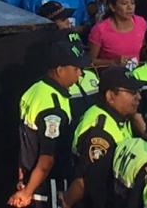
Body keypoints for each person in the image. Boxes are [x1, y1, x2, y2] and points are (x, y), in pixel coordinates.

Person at [9, 40, 89, 208]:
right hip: (46, 187)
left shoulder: (35, 89)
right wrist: (27, 192)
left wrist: (22, 175)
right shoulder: (53, 108)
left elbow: (25, 139)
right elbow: (47, 161)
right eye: (75, 69)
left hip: (29, 176)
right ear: (60, 70)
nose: (80, 74)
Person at [64, 65, 147, 208]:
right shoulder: (100, 131)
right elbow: (83, 183)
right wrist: (64, 204)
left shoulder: (120, 116)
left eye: (138, 91)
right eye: (132, 92)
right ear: (110, 96)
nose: (138, 97)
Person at [88, 0, 147, 67]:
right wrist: (113, 62)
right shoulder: (100, 30)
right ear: (112, 7)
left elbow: (145, 49)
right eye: (124, 3)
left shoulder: (140, 22)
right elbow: (90, 61)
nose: (130, 7)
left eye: (132, 3)